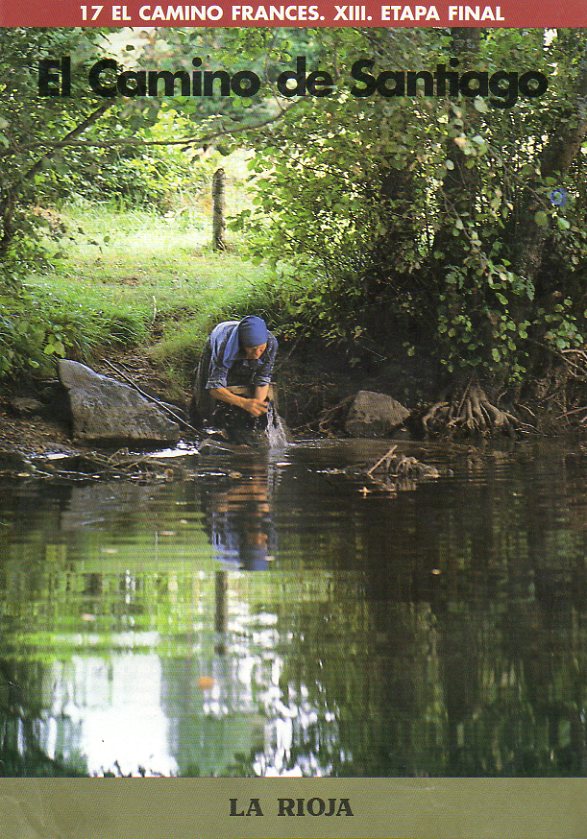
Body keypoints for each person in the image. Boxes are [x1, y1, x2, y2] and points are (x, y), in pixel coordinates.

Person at [190, 315, 278, 431]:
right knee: (205, 396)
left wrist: (256, 408)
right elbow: (214, 388)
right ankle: (199, 425)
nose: (257, 354)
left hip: (241, 350)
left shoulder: (271, 343)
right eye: (252, 348)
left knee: (246, 384)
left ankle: (240, 426)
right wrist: (245, 403)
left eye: (261, 349)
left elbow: (262, 380)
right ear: (243, 344)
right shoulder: (224, 345)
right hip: (218, 341)